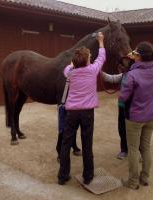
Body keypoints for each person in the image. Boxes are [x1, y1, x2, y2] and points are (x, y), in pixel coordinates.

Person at [57, 32, 106, 185]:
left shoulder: (69, 73)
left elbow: (68, 68)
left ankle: (63, 176)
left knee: (66, 144)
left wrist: (72, 63)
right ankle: (88, 176)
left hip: (71, 113)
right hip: (87, 114)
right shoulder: (92, 70)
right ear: (87, 60)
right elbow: (102, 57)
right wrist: (101, 41)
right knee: (87, 144)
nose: (91, 58)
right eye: (89, 57)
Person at [119, 41, 153, 190]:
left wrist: (132, 61)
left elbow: (123, 97)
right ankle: (145, 178)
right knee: (146, 148)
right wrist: (134, 57)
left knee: (133, 149)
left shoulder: (132, 75)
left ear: (139, 56)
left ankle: (133, 182)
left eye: (136, 52)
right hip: (151, 116)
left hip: (135, 118)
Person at [101, 57, 134, 160]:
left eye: (123, 65)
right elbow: (111, 78)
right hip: (122, 107)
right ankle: (124, 150)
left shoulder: (134, 76)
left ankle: (137, 151)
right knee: (122, 129)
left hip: (133, 108)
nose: (120, 66)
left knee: (134, 130)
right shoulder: (123, 75)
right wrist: (99, 72)